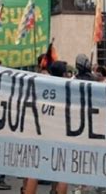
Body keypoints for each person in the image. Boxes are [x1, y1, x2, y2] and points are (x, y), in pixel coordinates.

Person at [23, 61, 69, 194]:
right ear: (65, 73)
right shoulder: (68, 88)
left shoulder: (43, 86)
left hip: (42, 132)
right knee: (61, 171)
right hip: (61, 133)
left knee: (34, 169)